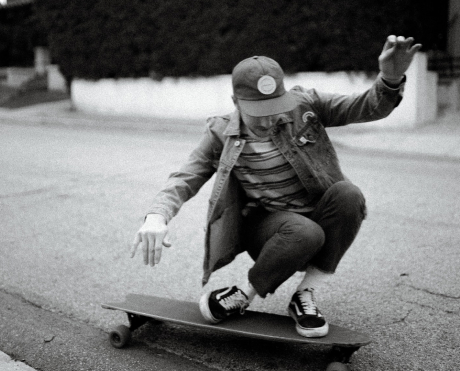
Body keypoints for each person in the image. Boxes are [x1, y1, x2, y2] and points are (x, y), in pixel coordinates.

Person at [131, 35, 421, 338]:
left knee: (349, 195)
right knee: (303, 231)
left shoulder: (305, 104)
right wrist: (157, 216)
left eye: (275, 107)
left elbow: (363, 107)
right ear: (236, 103)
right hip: (268, 230)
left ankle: (304, 295)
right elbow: (184, 177)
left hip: (317, 217)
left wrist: (390, 78)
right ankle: (242, 294)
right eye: (259, 112)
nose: (270, 119)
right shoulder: (220, 133)